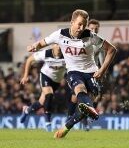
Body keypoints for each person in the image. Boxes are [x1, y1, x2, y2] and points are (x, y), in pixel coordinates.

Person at [26, 9, 117, 138]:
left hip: (92, 72)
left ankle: (67, 125)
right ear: (72, 22)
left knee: (84, 107)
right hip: (74, 72)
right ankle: (90, 110)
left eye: (84, 25)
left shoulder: (90, 36)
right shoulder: (60, 35)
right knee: (80, 90)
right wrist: (34, 46)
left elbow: (112, 49)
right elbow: (43, 43)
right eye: (79, 24)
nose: (81, 28)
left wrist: (102, 70)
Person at [20, 44, 65, 132]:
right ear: (53, 47)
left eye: (60, 46)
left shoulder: (67, 55)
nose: (59, 48)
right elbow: (29, 60)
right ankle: (48, 122)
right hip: (46, 76)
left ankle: (26, 110)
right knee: (49, 95)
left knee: (41, 103)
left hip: (57, 81)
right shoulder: (45, 53)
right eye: (57, 45)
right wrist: (25, 76)